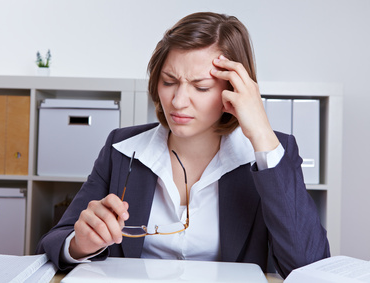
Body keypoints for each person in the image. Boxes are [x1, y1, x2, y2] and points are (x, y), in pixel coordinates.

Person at [36, 12, 330, 278]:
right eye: (168, 81)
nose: (177, 102)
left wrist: (262, 135)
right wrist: (79, 244)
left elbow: (308, 265)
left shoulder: (271, 155)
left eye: (201, 87)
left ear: (235, 91)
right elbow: (54, 241)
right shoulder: (121, 149)